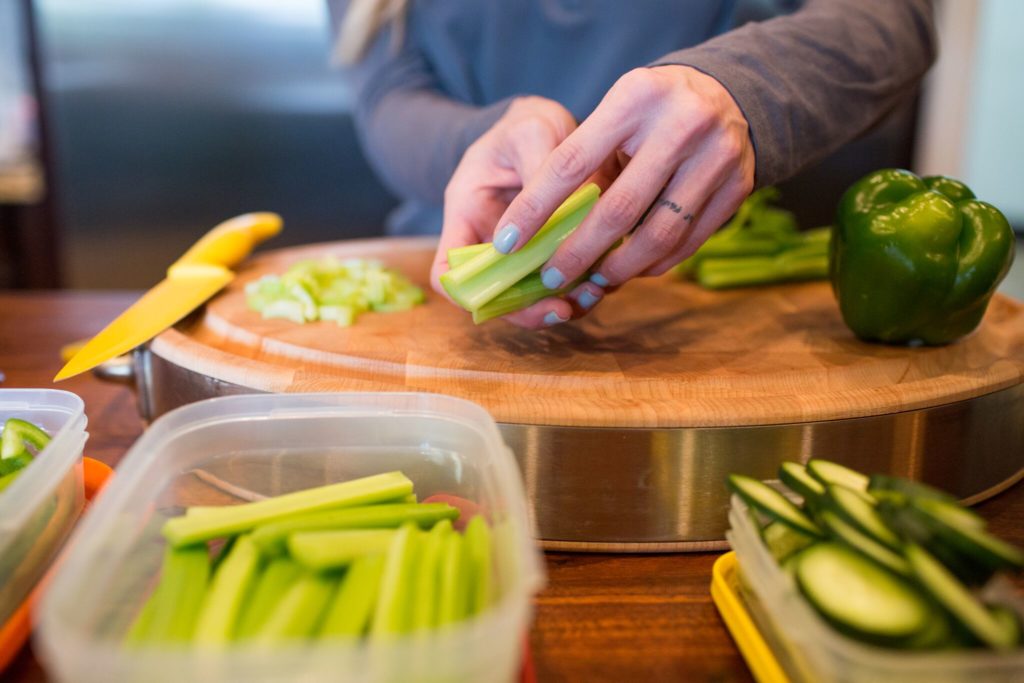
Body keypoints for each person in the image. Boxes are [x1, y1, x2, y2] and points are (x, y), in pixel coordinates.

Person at [328, 0, 935, 329]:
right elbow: (390, 96)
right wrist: (483, 135)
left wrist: (738, 89)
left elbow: (892, 18)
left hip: (688, 300)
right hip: (446, 292)